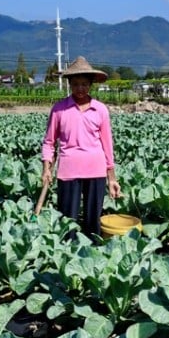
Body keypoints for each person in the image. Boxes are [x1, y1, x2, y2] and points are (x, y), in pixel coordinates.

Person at [40, 56, 121, 238]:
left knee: (93, 221)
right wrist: (46, 168)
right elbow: (49, 142)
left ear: (91, 84)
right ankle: (67, 259)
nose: (80, 88)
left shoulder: (100, 110)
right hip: (68, 171)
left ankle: (92, 258)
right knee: (67, 220)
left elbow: (107, 146)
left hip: (96, 170)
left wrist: (112, 178)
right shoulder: (59, 109)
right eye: (76, 84)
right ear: (69, 84)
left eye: (84, 84)